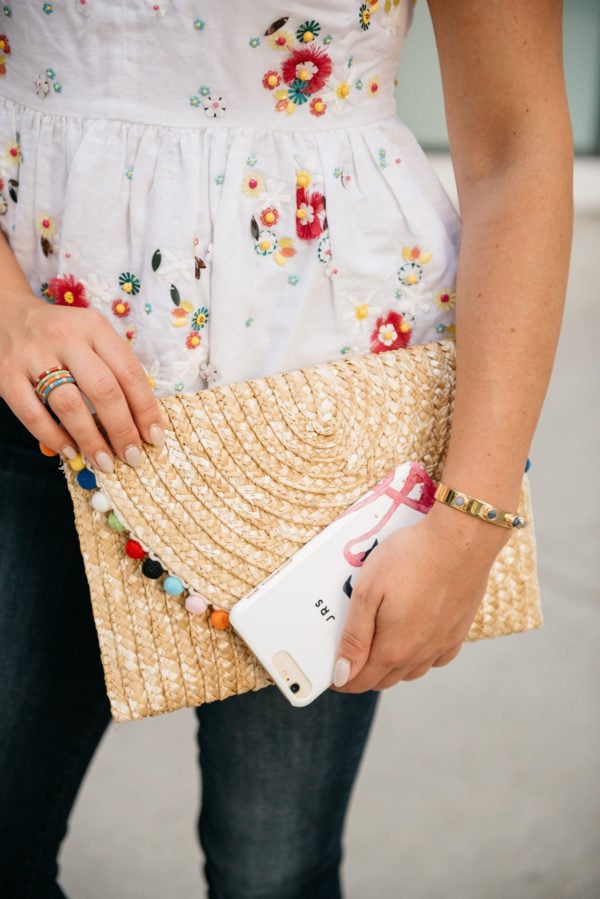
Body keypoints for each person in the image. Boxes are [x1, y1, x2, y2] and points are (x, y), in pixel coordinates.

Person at [0, 2, 572, 897]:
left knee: (274, 870)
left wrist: (472, 523)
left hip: (321, 399)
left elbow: (516, 146)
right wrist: (8, 313)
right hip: (27, 375)